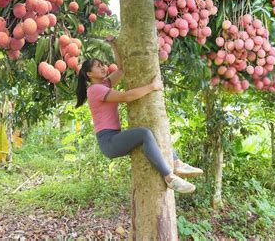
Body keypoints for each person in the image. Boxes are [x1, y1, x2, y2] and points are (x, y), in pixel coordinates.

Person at [75, 36, 203, 193]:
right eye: (98, 66)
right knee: (144, 133)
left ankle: (176, 162)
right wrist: (152, 86)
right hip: (108, 141)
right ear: (89, 74)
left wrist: (114, 44)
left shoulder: (104, 84)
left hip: (114, 137)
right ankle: (170, 177)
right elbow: (126, 97)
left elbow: (121, 69)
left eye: (103, 65)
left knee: (154, 130)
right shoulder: (95, 90)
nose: (104, 67)